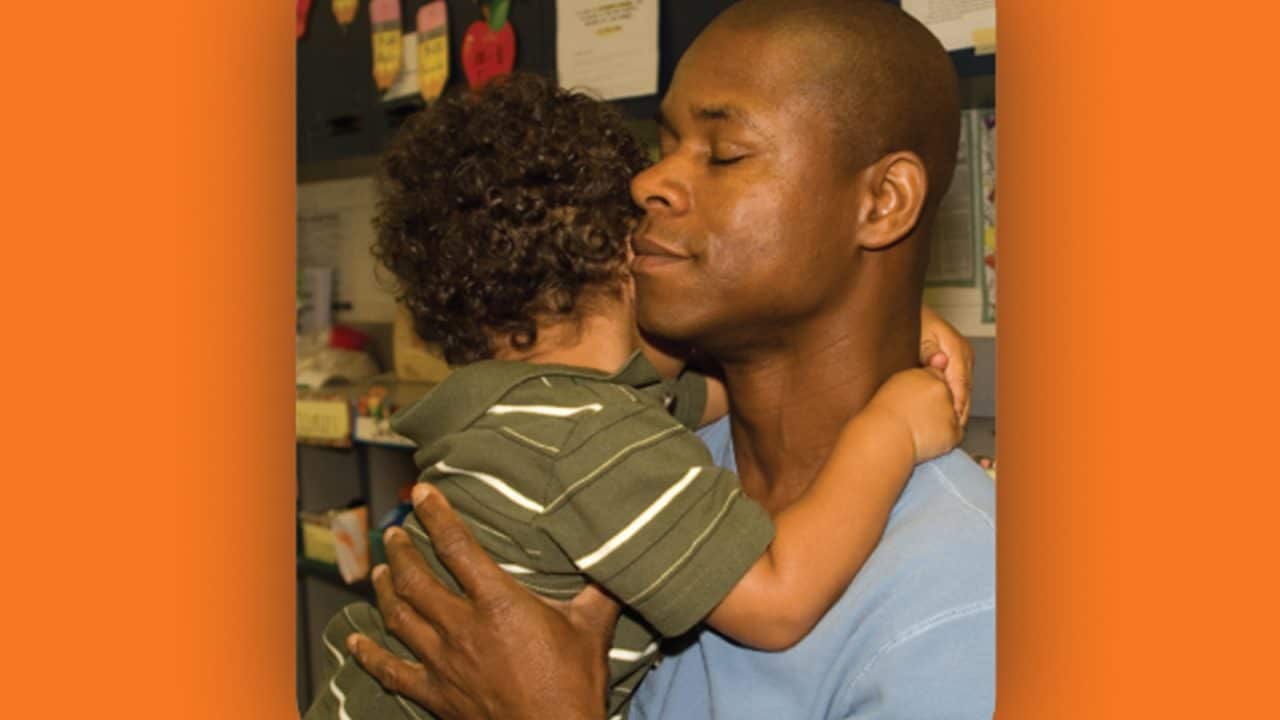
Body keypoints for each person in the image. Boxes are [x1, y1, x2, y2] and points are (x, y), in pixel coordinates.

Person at [345, 1, 995, 718]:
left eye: (723, 153)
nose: (642, 184)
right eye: (664, 146)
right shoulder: (648, 447)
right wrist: (891, 374)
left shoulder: (962, 603)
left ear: (883, 202)